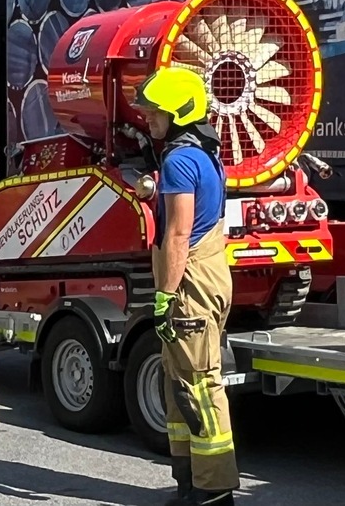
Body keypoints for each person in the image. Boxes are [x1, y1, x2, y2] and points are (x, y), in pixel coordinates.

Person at [132, 67, 239, 506]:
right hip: (209, 272)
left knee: (197, 386)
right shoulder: (202, 155)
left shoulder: (179, 160)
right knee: (179, 386)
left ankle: (213, 492)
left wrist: (162, 296)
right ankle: (189, 482)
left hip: (189, 282)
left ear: (177, 111)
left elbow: (177, 235)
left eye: (154, 111)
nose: (147, 117)